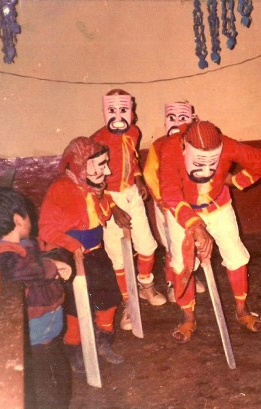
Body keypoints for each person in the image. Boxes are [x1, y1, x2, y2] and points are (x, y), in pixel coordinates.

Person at [159, 120, 261, 343]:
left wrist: (237, 180)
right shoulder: (171, 148)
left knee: (236, 256)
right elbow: (170, 191)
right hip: (182, 209)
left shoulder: (227, 145)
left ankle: (242, 310)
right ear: (184, 146)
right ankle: (188, 316)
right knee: (182, 263)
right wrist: (194, 225)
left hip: (218, 206)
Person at [39, 137, 126, 369]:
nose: (106, 171)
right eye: (101, 165)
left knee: (108, 298)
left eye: (106, 164)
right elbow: (47, 229)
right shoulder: (60, 189)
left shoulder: (93, 187)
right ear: (80, 165)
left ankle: (103, 341)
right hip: (70, 257)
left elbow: (102, 214)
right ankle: (75, 348)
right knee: (76, 305)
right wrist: (71, 245)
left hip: (96, 254)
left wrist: (111, 206)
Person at [0, 186, 72, 409]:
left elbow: (37, 251)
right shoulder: (1, 253)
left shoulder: (16, 246)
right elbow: (21, 271)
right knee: (49, 390)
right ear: (18, 220)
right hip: (31, 338)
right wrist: (51, 266)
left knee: (56, 381)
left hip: (43, 336)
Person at [91, 89, 165, 332]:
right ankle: (128, 302)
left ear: (131, 112)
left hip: (132, 194)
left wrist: (140, 180)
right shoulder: (96, 141)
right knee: (117, 255)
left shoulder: (134, 132)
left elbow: (132, 161)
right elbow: (93, 182)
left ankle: (146, 285)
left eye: (123, 110)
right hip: (108, 198)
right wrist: (112, 208)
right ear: (105, 112)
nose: (118, 115)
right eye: (112, 110)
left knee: (147, 245)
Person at [143, 100, 206, 303]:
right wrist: (161, 201)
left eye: (182, 118)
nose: (177, 123)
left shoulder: (195, 140)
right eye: (172, 118)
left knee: (192, 240)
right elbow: (150, 174)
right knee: (172, 244)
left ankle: (189, 276)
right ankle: (173, 282)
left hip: (190, 203)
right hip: (167, 204)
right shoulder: (159, 145)